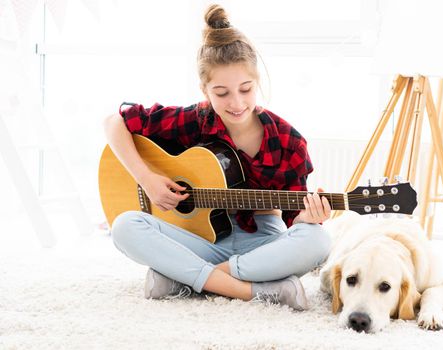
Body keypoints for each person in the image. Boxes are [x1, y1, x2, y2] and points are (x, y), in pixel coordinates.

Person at [103, 4, 331, 311]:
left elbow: (296, 223)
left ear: (257, 82)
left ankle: (184, 279)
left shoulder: (289, 142)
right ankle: (257, 292)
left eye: (246, 89)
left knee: (318, 241)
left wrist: (308, 216)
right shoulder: (197, 119)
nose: (236, 103)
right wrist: (147, 179)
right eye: (222, 93)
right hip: (199, 241)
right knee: (124, 226)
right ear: (205, 90)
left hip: (259, 245)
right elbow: (114, 122)